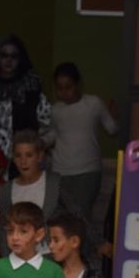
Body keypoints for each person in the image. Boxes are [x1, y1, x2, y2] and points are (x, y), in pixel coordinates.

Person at [49, 62, 118, 222]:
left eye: (68, 87)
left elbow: (112, 129)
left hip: (87, 171)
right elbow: (53, 134)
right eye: (59, 88)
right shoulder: (56, 110)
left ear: (78, 84)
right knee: (62, 218)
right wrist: (39, 142)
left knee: (81, 216)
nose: (64, 92)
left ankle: (85, 247)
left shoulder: (93, 103)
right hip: (60, 171)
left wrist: (116, 116)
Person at [0, 131, 80, 256]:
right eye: (18, 156)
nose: (23, 161)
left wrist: (98, 243)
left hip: (51, 257)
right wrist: (6, 260)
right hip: (18, 261)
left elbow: (77, 214)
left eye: (29, 155)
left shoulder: (55, 183)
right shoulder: (5, 190)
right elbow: (3, 229)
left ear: (40, 156)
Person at [0, 36, 53, 161]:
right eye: (4, 55)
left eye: (14, 56)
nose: (8, 60)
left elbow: (47, 122)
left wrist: (39, 144)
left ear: (20, 59)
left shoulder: (31, 88)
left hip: (25, 157)